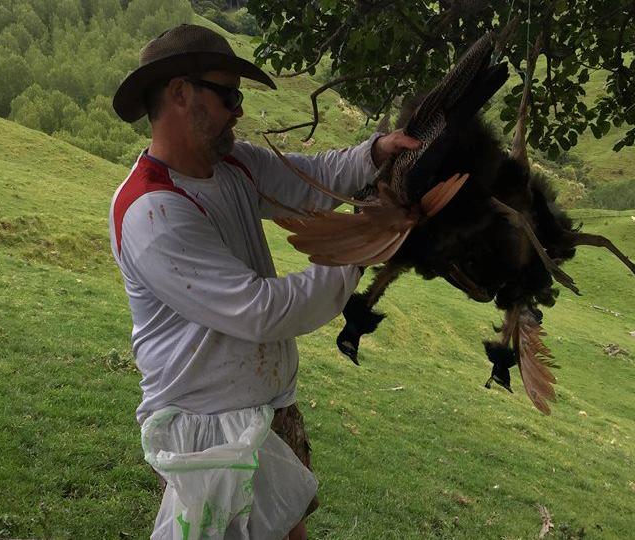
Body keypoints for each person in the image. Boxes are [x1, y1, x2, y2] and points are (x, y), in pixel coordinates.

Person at [109, 23, 419, 540]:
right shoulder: (152, 212)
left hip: (262, 411)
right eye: (228, 94)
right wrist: (361, 245)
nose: (239, 109)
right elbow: (262, 311)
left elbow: (305, 182)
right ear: (180, 93)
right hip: (210, 431)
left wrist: (375, 154)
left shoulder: (229, 165)